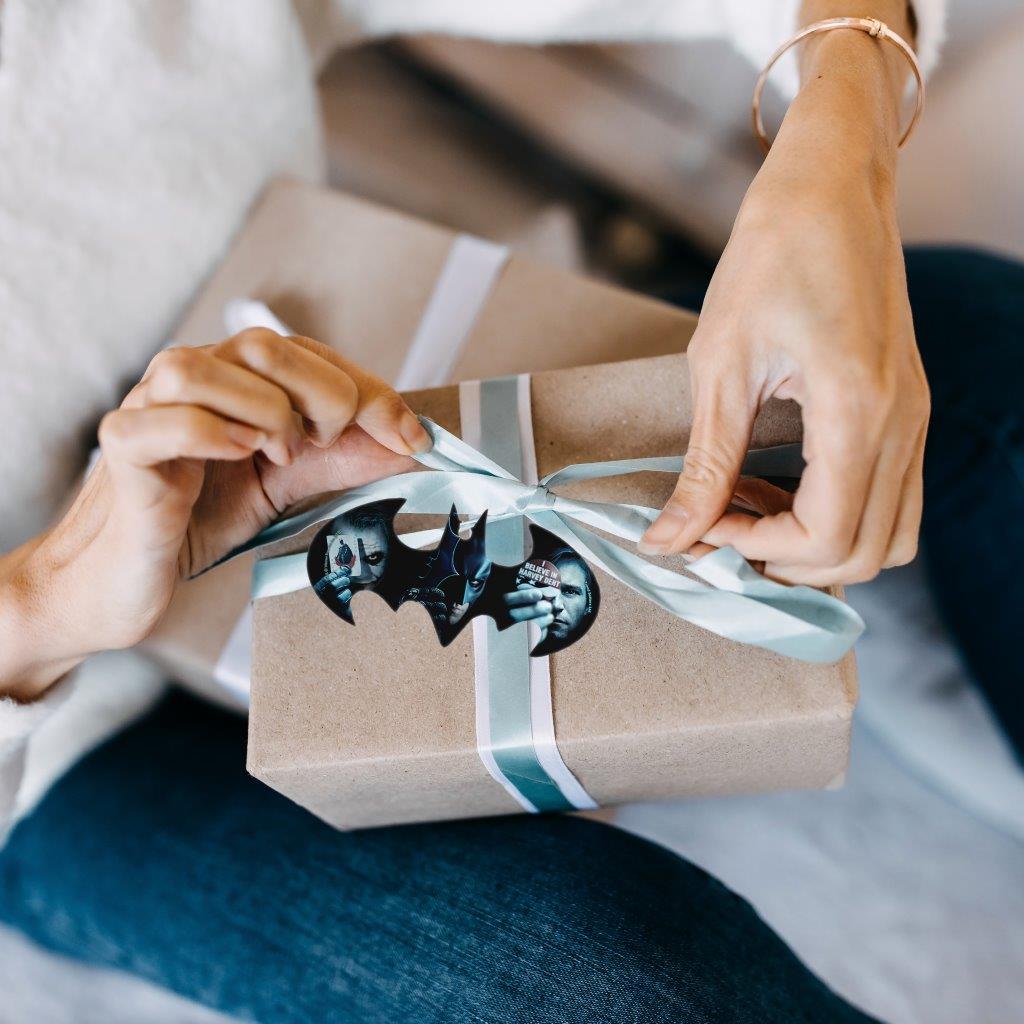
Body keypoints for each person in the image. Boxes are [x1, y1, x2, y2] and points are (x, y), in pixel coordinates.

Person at [0, 1, 975, 1021]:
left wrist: (837, 158)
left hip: (363, 409)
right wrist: (39, 602)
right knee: (600, 977)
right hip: (70, 748)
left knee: (969, 345)